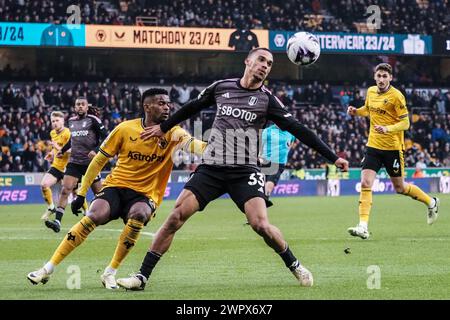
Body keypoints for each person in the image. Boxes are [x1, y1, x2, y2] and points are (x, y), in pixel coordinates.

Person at [116, 48, 349, 290]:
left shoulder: (267, 100)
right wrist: (165, 127)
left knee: (260, 225)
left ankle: (295, 265)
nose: (264, 66)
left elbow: (299, 129)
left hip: (244, 172)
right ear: (247, 61)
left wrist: (333, 157)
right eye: (261, 60)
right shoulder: (221, 87)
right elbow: (192, 108)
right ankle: (141, 277)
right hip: (212, 168)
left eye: (269, 64)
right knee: (175, 217)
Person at [27, 89, 206, 289]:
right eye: (161, 103)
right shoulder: (124, 129)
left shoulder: (174, 132)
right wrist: (82, 192)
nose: (167, 107)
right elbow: (99, 160)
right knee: (94, 214)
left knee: (139, 214)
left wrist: (220, 148)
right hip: (116, 185)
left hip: (145, 194)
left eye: (168, 103)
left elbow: (196, 146)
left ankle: (110, 272)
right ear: (147, 106)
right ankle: (47, 268)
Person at [346, 63, 440, 240]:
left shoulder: (397, 97)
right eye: (379, 76)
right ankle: (363, 226)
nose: (381, 79)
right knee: (366, 183)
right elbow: (368, 110)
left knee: (400, 187)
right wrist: (356, 112)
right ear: (375, 76)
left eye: (385, 76)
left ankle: (431, 202)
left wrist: (388, 129)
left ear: (390, 78)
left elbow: (406, 123)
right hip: (373, 145)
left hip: (393, 149)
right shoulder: (371, 92)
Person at [45, 98, 107, 233]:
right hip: (74, 162)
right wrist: (61, 151)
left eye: (82, 104)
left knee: (99, 193)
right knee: (65, 190)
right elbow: (72, 141)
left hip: (91, 163)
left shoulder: (93, 120)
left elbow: (106, 137)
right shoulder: (71, 121)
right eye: (77, 104)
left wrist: (96, 151)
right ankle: (57, 221)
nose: (80, 106)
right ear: (75, 107)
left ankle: (106, 214)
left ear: (86, 107)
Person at [40, 111, 71, 220]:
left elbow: (72, 151)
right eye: (53, 121)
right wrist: (51, 154)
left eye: (57, 120)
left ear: (63, 121)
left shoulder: (68, 133)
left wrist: (57, 148)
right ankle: (51, 207)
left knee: (76, 192)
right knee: (44, 185)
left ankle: (87, 212)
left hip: (68, 168)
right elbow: (55, 148)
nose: (55, 123)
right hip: (57, 166)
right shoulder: (53, 133)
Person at [261, 123, 296, 197]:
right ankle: (264, 199)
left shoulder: (267, 131)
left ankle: (263, 199)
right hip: (270, 162)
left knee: (267, 183)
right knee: (268, 183)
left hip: (276, 162)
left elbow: (291, 143)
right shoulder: (268, 131)